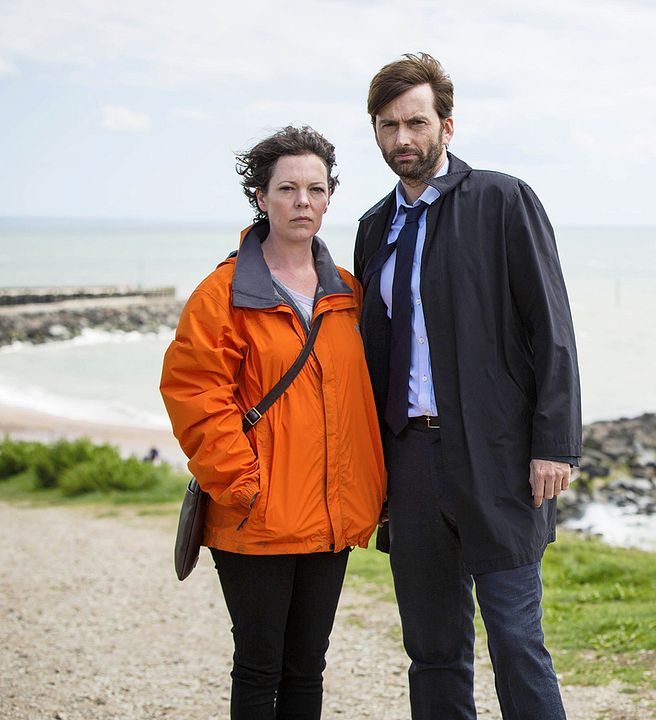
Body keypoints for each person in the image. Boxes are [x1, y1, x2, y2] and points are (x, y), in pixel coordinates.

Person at [353, 53, 581, 720]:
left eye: (416, 122)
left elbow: (553, 330)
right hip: (411, 461)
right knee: (433, 648)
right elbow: (371, 356)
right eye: (388, 125)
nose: (402, 139)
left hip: (500, 457)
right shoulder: (375, 228)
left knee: (516, 640)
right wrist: (373, 470)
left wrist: (555, 445)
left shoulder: (503, 200)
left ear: (447, 127)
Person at [161, 126, 386, 719]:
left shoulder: (348, 294)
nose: (302, 202)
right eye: (287, 188)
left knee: (308, 666)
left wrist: (371, 489)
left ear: (330, 196)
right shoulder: (222, 295)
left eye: (315, 188)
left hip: (331, 513)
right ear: (261, 197)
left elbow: (361, 399)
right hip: (256, 512)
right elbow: (194, 394)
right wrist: (241, 485)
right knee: (261, 668)